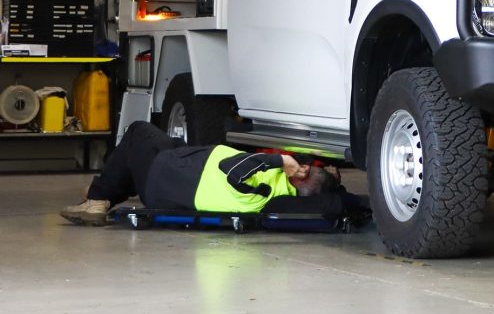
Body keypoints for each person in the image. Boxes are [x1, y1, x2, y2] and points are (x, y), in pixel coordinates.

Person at [61, 121, 343, 226]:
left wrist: (282, 161)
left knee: (138, 132)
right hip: (178, 168)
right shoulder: (279, 195)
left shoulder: (266, 186)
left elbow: (231, 168)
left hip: (166, 177)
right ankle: (105, 195)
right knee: (158, 145)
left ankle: (97, 198)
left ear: (302, 174)